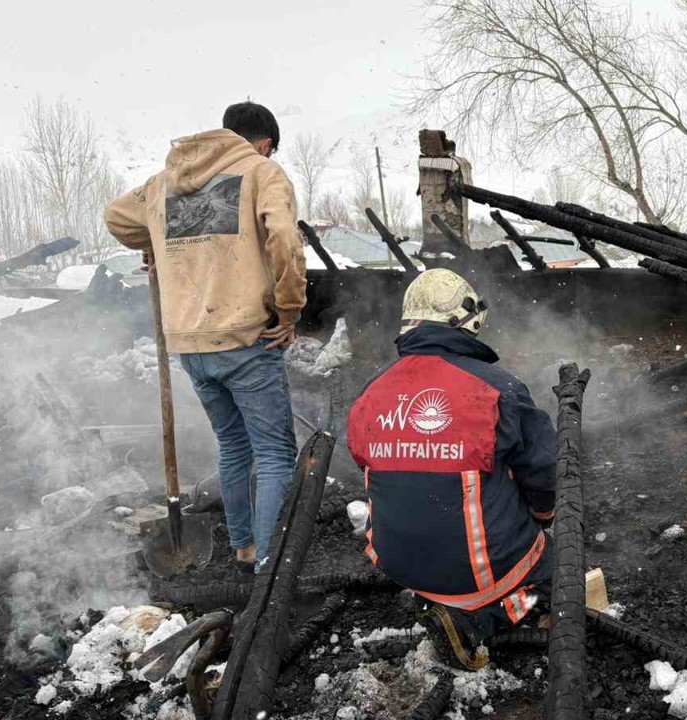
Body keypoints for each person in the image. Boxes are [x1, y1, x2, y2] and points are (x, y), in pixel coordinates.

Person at [104, 101, 306, 571]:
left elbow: (116, 217)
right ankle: (271, 566)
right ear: (265, 144)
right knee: (275, 453)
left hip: (191, 345)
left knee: (233, 446)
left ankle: (244, 548)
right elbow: (284, 241)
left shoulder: (164, 183)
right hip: (245, 339)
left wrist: (156, 240)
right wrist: (290, 310)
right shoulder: (260, 172)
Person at [345, 269, 556, 670]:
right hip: (477, 574)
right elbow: (544, 474)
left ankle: (429, 595)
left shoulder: (370, 392)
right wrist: (543, 519)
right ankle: (480, 623)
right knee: (552, 577)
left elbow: (365, 462)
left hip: (395, 563)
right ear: (468, 323)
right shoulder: (498, 389)